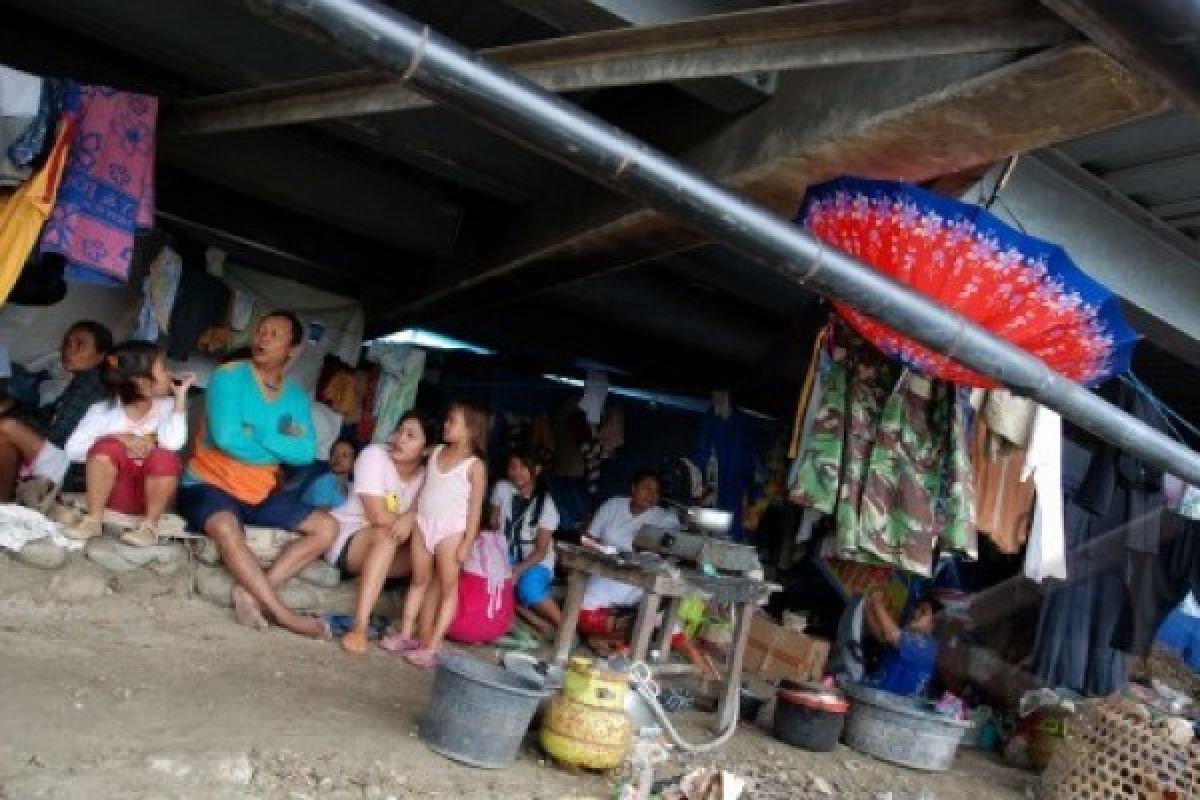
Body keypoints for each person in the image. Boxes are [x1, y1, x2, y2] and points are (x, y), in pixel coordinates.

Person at [178, 311, 337, 639]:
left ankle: (251, 592)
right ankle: (284, 615)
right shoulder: (229, 376)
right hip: (209, 484)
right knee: (224, 525)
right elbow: (227, 438)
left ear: (291, 350)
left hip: (260, 492)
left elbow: (306, 452)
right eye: (261, 331)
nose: (263, 338)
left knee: (326, 527)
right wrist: (278, 442)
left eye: (274, 334)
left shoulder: (294, 396)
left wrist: (255, 432)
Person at [386, 400, 488, 668]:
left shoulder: (475, 466)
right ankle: (407, 634)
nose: (445, 425)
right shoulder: (436, 452)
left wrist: (467, 542)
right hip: (424, 523)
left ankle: (432, 646)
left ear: (471, 430)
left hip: (451, 532)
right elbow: (424, 489)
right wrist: (412, 515)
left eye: (452, 422)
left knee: (447, 588)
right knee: (418, 580)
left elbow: (475, 509)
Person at [62, 341, 194, 546]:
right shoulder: (103, 411)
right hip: (114, 495)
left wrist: (180, 398)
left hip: (150, 498)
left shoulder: (168, 406)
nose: (169, 374)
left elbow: (174, 443)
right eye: (163, 369)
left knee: (165, 457)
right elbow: (73, 451)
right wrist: (117, 438)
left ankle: (149, 527)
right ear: (142, 383)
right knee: (107, 447)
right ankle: (93, 520)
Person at [334, 412, 435, 655]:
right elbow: (378, 515)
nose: (400, 439)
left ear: (427, 449)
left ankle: (424, 632)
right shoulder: (374, 456)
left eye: (411, 436)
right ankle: (360, 625)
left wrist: (412, 518)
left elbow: (427, 522)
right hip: (349, 540)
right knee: (385, 534)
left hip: (388, 551)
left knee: (436, 550)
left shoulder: (426, 476)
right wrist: (409, 519)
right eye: (400, 430)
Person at [0, 320, 112, 505]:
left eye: (80, 344)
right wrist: (12, 407)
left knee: (6, 427)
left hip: (73, 469)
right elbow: (44, 415)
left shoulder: (91, 383)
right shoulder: (82, 380)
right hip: (63, 460)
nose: (68, 350)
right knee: (8, 433)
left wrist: (17, 424)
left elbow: (59, 436)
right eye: (67, 343)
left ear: (101, 355)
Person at [577, 470, 681, 639]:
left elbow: (674, 550)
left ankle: (606, 638)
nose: (651, 495)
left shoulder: (666, 519)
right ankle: (610, 638)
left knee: (663, 621)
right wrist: (604, 551)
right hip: (606, 573)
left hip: (641, 581)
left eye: (656, 491)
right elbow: (587, 539)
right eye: (646, 488)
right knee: (583, 611)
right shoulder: (614, 505)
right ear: (633, 488)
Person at [492, 445, 561, 637]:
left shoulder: (547, 506)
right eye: (513, 467)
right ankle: (536, 622)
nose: (517, 473)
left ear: (536, 470)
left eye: (524, 467)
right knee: (493, 581)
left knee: (528, 588)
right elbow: (494, 524)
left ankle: (565, 626)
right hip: (506, 552)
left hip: (537, 561)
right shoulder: (502, 489)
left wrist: (517, 570)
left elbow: (540, 551)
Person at [865, 589, 941, 697]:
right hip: (877, 698)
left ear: (933, 621)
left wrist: (877, 602)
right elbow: (880, 636)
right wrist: (869, 606)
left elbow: (892, 635)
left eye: (923, 612)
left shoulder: (927, 646)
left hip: (887, 706)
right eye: (917, 609)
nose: (915, 614)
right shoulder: (911, 636)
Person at [299, 438, 356, 510]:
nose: (337, 458)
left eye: (344, 455)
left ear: (354, 462)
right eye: (334, 453)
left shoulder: (351, 486)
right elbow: (322, 517)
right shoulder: (323, 483)